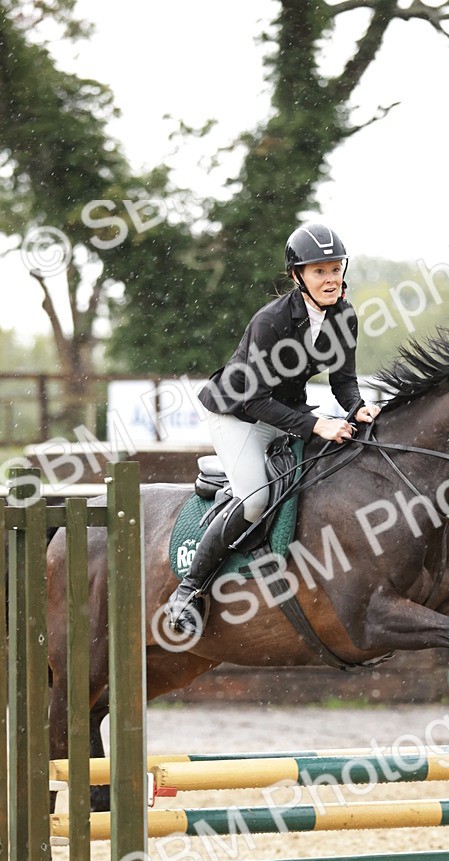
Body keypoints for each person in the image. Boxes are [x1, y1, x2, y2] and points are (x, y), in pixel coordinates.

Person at [167, 222, 380, 634]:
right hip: (237, 413)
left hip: (284, 410)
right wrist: (317, 424)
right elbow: (254, 400)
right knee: (254, 499)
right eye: (319, 271)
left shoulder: (344, 316)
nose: (331, 278)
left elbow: (343, 381)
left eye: (336, 269)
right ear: (297, 275)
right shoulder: (272, 321)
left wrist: (357, 409)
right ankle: (189, 590)